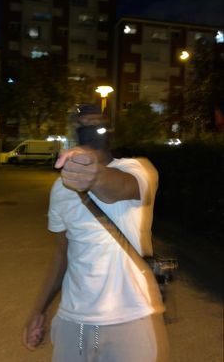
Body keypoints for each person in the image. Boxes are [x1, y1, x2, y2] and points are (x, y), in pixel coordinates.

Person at [23, 104, 169, 361]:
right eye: (82, 124)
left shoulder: (137, 170)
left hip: (129, 319)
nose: (89, 129)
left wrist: (95, 176)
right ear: (74, 132)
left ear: (108, 130)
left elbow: (121, 188)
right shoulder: (60, 189)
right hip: (75, 323)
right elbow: (61, 252)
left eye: (96, 123)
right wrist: (39, 309)